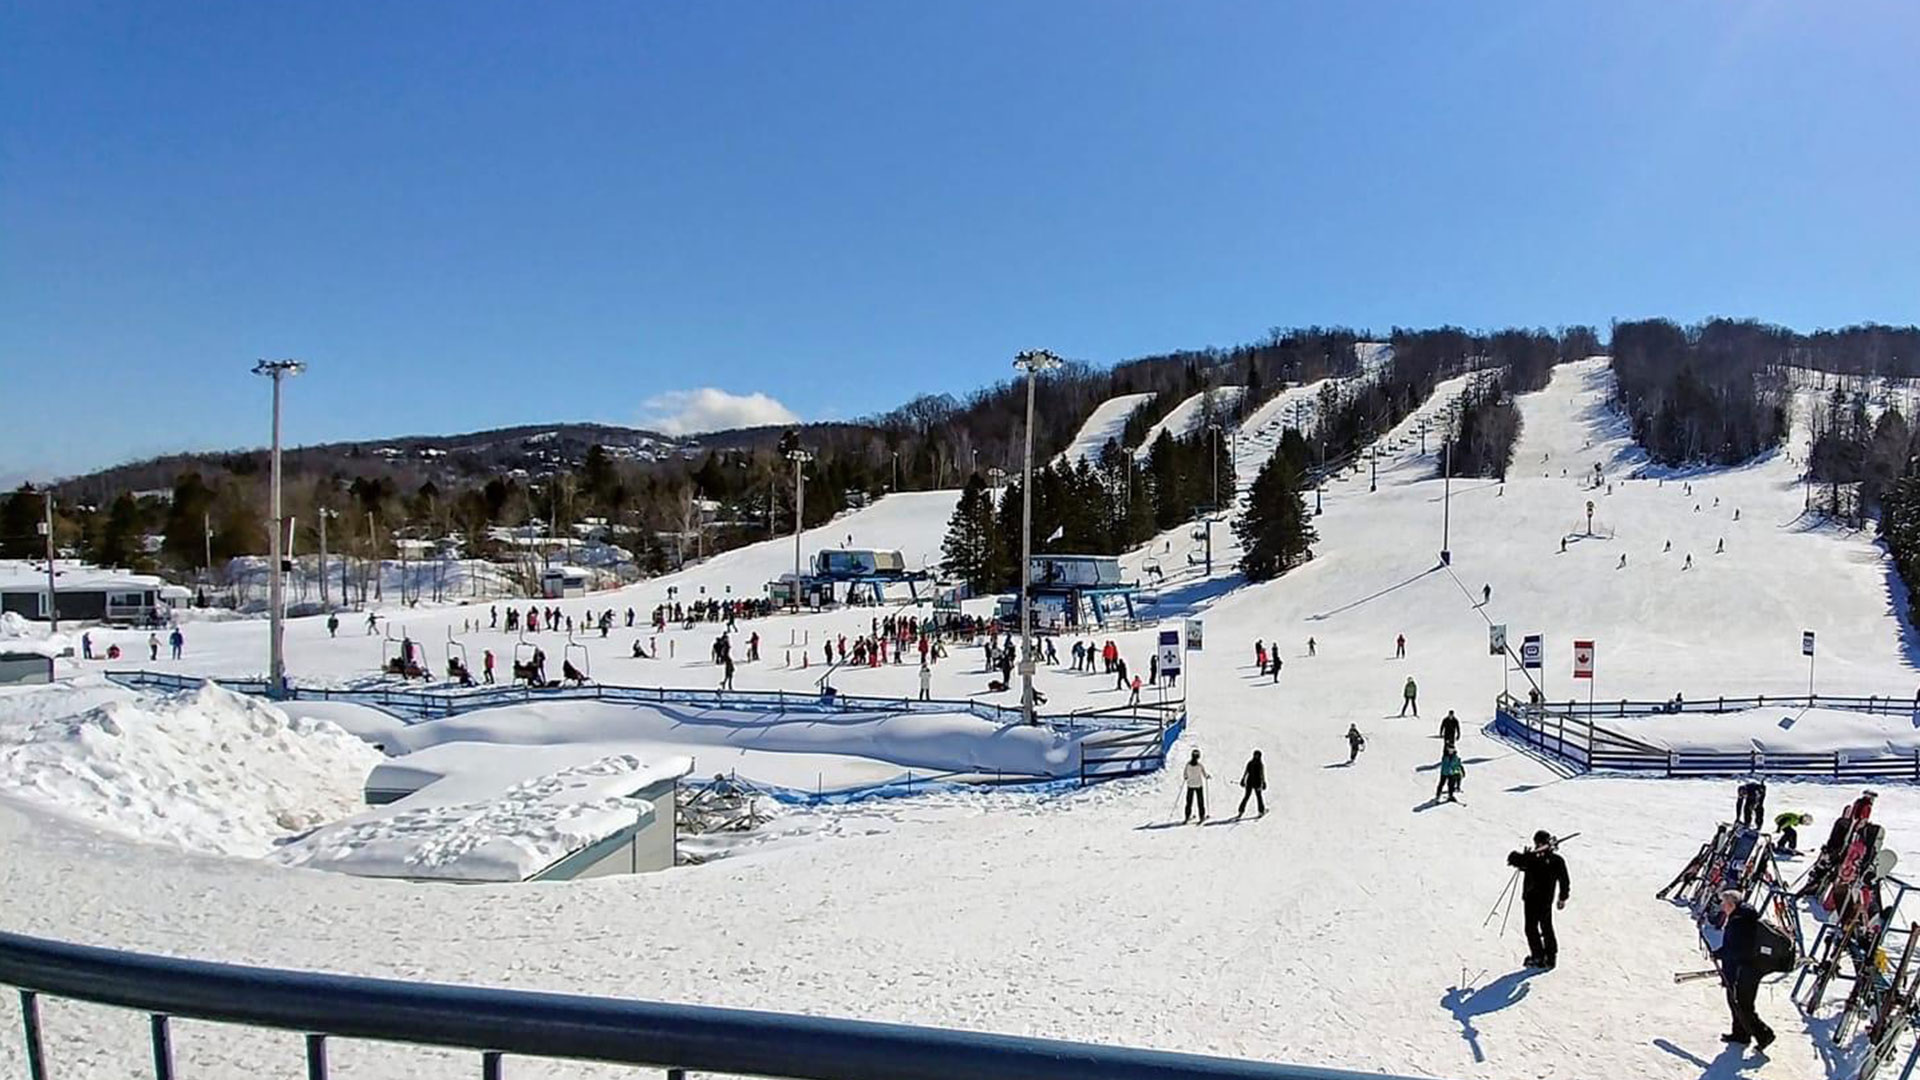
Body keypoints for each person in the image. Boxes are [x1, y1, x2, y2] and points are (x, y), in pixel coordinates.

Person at [1712, 890, 1776, 1050]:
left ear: (1731, 904)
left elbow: (1736, 949)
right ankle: (1741, 1034)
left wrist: (1719, 953)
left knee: (1742, 1004)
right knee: (1737, 1002)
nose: (1721, 906)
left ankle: (1765, 1035)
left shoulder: (1739, 921)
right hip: (1747, 967)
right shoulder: (1742, 916)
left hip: (1745, 969)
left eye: (1723, 903)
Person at [1507, 831, 1571, 969]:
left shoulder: (1537, 859)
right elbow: (1516, 860)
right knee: (1546, 927)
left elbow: (1516, 859)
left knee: (1531, 928)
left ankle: (1539, 957)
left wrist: (1530, 855)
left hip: (1532, 899)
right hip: (1544, 899)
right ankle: (1550, 958)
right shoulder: (1553, 860)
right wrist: (1562, 897)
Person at [1182, 750, 1210, 824]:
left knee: (1189, 802)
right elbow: (1204, 774)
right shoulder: (1200, 765)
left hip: (1190, 785)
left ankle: (1187, 816)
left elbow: (1185, 775)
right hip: (1198, 785)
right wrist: (1207, 776)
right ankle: (1202, 816)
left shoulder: (1188, 765)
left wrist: (1186, 777)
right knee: (1200, 801)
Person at [1237, 750, 1266, 817]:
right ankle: (1261, 811)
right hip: (1256, 782)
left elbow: (1246, 772)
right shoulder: (1259, 764)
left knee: (1247, 796)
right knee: (1258, 797)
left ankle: (1241, 811)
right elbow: (1261, 774)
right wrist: (1263, 782)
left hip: (1250, 782)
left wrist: (1243, 779)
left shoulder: (1250, 763)